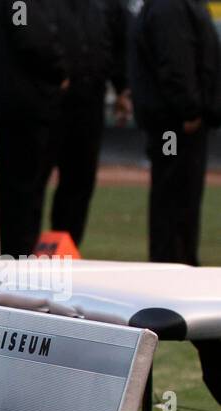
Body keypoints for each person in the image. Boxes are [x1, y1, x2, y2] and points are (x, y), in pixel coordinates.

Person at [129, 0, 221, 266]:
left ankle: (177, 262)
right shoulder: (169, 7)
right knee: (175, 192)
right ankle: (173, 265)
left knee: (179, 195)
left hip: (175, 121)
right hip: (175, 127)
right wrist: (189, 110)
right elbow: (174, 62)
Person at [0, 0, 68, 256]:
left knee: (2, 193)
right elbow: (33, 39)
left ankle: (0, 254)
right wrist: (60, 71)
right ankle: (18, 260)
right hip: (23, 109)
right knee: (24, 198)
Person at [46, 0, 130, 248]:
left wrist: (122, 88)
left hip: (90, 100)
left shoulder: (107, 6)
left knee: (80, 180)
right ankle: (19, 249)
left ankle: (67, 247)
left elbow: (116, 43)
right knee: (32, 182)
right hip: (50, 100)